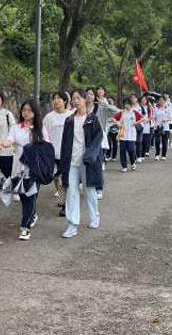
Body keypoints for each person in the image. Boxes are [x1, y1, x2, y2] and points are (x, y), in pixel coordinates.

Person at [0, 99, 49, 240]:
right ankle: (32, 215)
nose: (26, 113)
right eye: (24, 110)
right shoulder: (16, 127)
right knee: (25, 197)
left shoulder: (40, 129)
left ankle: (25, 227)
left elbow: (47, 147)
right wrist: (2, 144)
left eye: (29, 110)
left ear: (35, 112)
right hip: (18, 168)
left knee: (30, 197)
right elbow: (9, 140)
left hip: (34, 170)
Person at [59, 89, 103, 238]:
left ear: (84, 99)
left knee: (89, 191)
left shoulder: (92, 119)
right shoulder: (69, 120)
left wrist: (90, 155)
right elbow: (65, 142)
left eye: (78, 98)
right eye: (73, 98)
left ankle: (94, 216)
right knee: (71, 191)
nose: (75, 101)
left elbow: (98, 139)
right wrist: (62, 162)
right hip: (71, 162)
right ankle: (72, 224)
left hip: (87, 162)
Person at [42, 92, 73, 217]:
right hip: (52, 153)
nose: (56, 101)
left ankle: (65, 205)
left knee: (66, 179)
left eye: (59, 99)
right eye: (54, 99)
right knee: (55, 177)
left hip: (67, 153)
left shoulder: (71, 116)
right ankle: (61, 197)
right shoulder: (48, 117)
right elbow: (43, 133)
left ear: (65, 101)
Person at [92, 86, 119, 199]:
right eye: (97, 90)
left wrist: (103, 104)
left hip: (100, 136)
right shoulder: (87, 106)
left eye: (102, 89)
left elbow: (116, 111)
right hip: (87, 137)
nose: (99, 91)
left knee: (97, 164)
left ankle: (99, 188)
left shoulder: (104, 103)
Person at [112, 98, 144, 172]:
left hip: (132, 134)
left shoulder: (134, 112)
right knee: (122, 151)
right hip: (123, 134)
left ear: (130, 104)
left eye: (127, 104)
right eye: (125, 104)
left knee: (131, 150)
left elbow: (143, 118)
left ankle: (133, 162)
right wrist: (118, 123)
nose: (126, 105)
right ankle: (124, 166)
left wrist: (136, 123)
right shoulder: (122, 112)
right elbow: (113, 118)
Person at [139, 95, 154, 161]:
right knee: (139, 141)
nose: (143, 101)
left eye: (145, 100)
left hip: (147, 126)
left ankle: (142, 154)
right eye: (142, 99)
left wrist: (146, 121)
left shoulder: (148, 108)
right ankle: (138, 155)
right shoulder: (138, 107)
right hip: (139, 126)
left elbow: (150, 117)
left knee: (145, 141)